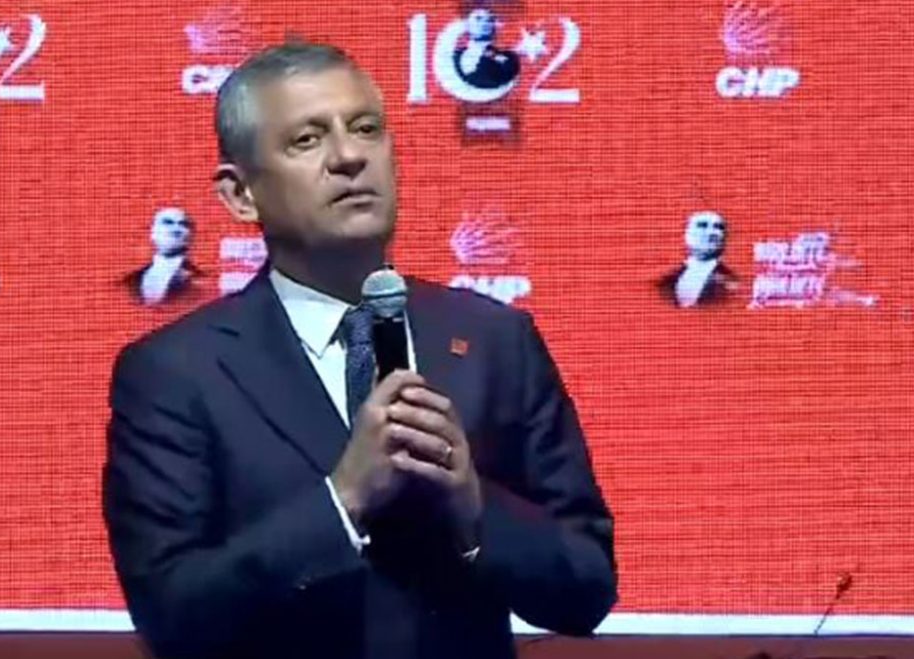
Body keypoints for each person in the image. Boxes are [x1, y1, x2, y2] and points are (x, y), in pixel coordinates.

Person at [103, 42, 617, 659]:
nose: (349, 156)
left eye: (366, 129)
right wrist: (343, 500)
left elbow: (587, 586)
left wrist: (472, 505)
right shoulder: (176, 372)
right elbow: (172, 615)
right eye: (307, 140)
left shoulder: (494, 341)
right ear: (241, 195)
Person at [121, 207, 205, 306]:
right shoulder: (131, 281)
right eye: (168, 223)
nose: (176, 229)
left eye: (183, 224)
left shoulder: (199, 281)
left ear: (191, 235)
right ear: (153, 232)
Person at [658, 210, 740, 308]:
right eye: (702, 226)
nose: (711, 233)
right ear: (687, 234)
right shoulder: (667, 281)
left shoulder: (730, 282)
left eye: (718, 227)